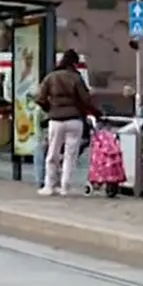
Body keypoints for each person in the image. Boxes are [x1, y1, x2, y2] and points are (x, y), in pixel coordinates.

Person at [34, 49, 99, 195]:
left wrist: (49, 108)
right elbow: (86, 99)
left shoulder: (51, 77)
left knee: (53, 153)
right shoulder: (76, 78)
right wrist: (95, 113)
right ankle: (65, 186)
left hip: (56, 120)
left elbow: (39, 98)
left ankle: (49, 185)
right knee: (71, 155)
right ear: (74, 63)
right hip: (75, 120)